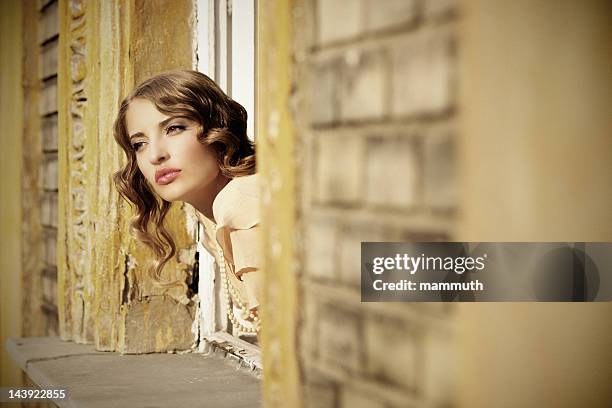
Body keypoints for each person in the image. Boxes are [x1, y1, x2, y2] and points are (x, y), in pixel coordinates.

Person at [112, 69, 261, 335]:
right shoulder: (210, 214)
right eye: (139, 144)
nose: (155, 155)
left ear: (218, 128)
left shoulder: (243, 200)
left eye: (174, 128)